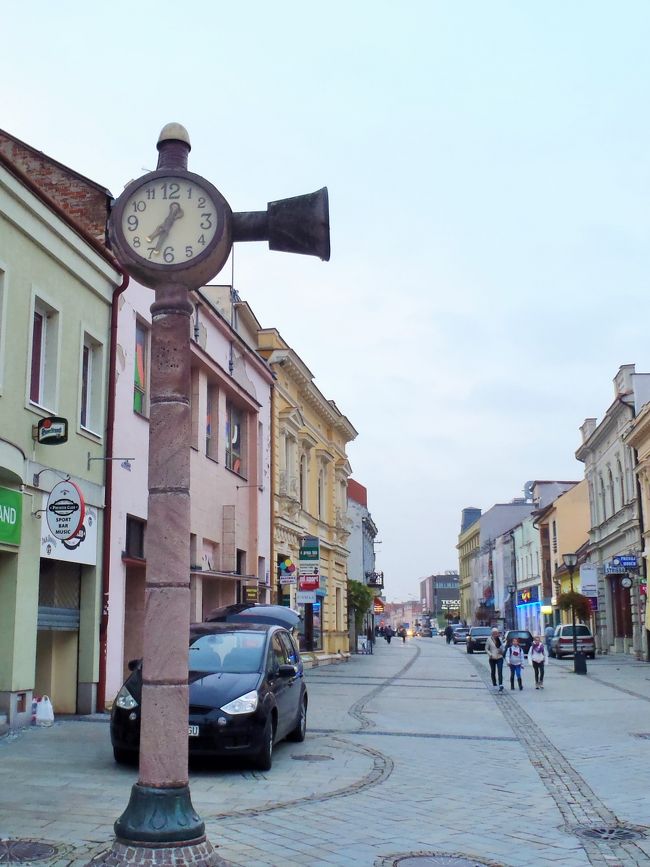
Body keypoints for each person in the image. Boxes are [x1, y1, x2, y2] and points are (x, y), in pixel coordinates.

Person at [485, 627, 504, 692]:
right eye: (494, 633)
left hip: (499, 657)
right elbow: (486, 648)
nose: (496, 635)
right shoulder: (489, 639)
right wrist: (490, 654)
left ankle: (500, 684)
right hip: (492, 658)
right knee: (493, 671)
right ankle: (494, 684)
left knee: (500, 671)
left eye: (497, 633)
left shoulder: (500, 639)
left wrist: (502, 650)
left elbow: (503, 647)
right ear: (492, 633)